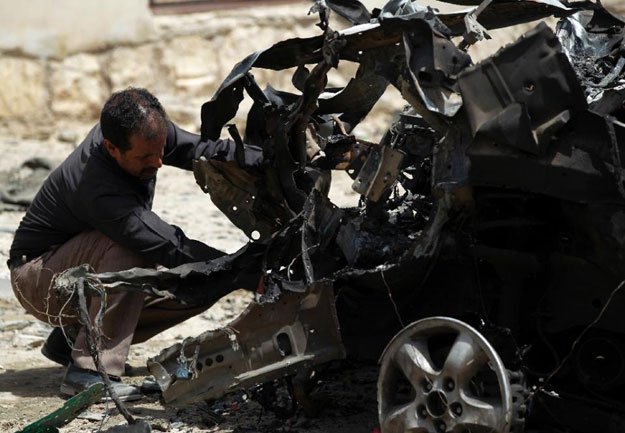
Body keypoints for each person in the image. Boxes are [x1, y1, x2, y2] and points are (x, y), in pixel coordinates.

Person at [7, 87, 262, 401]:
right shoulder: (100, 188)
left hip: (75, 268)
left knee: (201, 284)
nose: (158, 162)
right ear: (112, 148)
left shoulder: (144, 132)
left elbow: (204, 150)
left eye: (161, 150)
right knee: (137, 252)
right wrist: (249, 270)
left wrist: (264, 160)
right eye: (144, 157)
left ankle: (72, 338)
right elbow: (169, 245)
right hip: (37, 278)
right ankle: (88, 373)